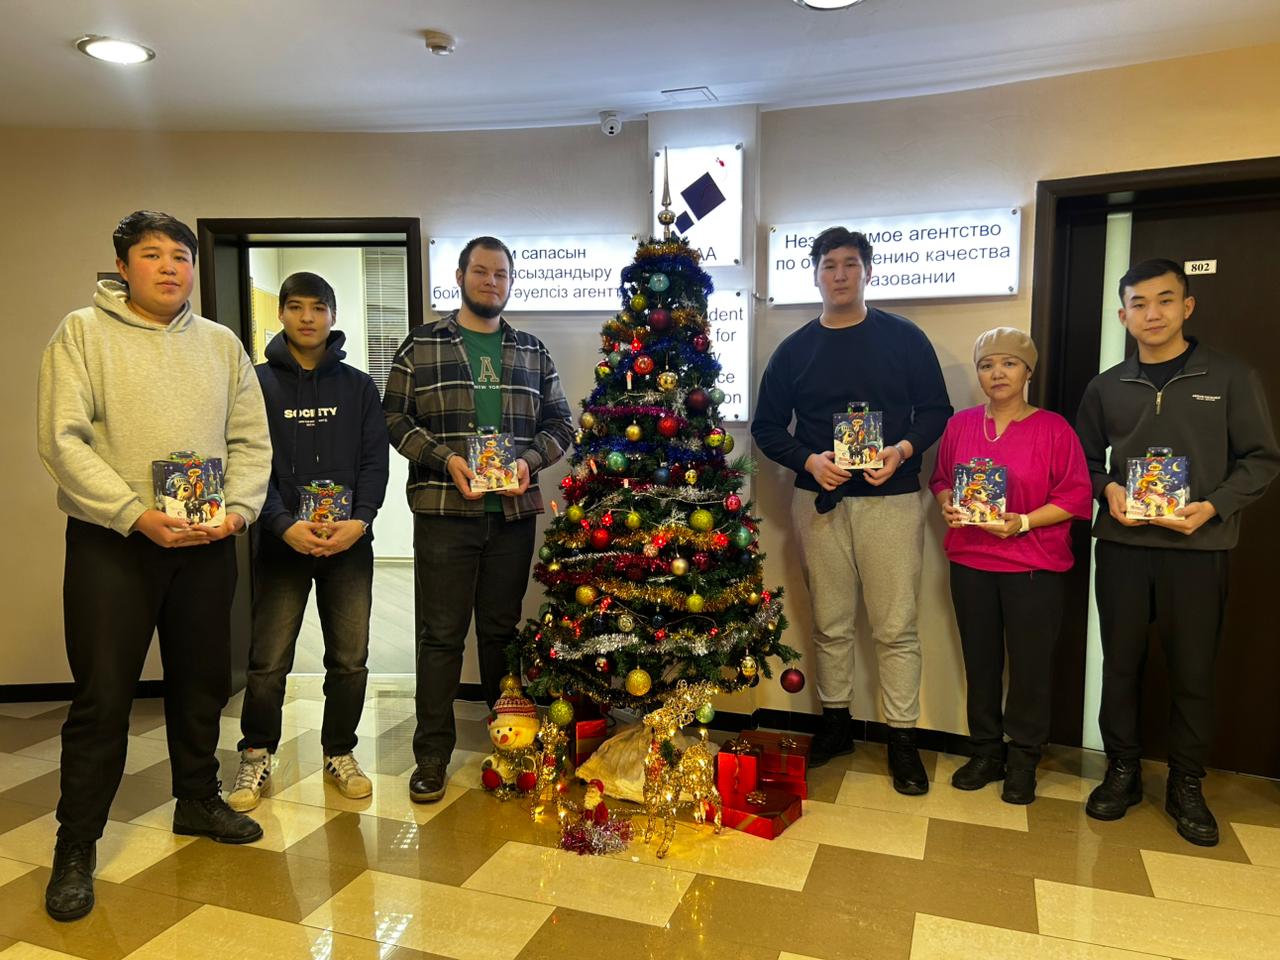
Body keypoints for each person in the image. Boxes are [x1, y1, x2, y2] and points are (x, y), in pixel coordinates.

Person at [36, 211, 272, 921]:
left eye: (180, 256)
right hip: (114, 544)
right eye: (152, 255)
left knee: (202, 683)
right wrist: (133, 513)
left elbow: (250, 441)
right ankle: (76, 845)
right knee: (103, 698)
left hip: (205, 544)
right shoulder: (82, 332)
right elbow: (61, 440)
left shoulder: (222, 345)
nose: (170, 267)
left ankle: (197, 800)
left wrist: (238, 513)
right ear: (123, 265)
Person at [1076, 258, 1279, 845]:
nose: (1153, 313)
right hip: (1124, 546)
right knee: (1121, 664)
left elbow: (1261, 459)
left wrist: (1213, 506)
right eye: (1138, 304)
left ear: (1187, 306)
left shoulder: (1230, 376)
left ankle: (1186, 783)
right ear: (1123, 316)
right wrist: (1107, 489)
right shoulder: (1106, 385)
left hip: (1198, 547)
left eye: (1165, 300)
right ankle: (1121, 770)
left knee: (1193, 670)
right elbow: (1082, 459)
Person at [752, 226, 952, 793]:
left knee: (895, 627)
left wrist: (903, 450)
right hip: (821, 502)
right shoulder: (794, 351)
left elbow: (935, 410)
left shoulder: (904, 338)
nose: (839, 275)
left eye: (850, 264)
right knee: (830, 623)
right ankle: (836, 724)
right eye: (829, 265)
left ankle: (902, 740)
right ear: (816, 274)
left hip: (892, 500)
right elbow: (768, 427)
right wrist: (808, 461)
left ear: (867, 271)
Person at [384, 236, 573, 804]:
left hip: (511, 516)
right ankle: (431, 756)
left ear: (511, 282)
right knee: (440, 637)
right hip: (444, 513)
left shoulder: (532, 351)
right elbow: (394, 419)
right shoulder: (421, 344)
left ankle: (510, 744)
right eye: (481, 272)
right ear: (460, 276)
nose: (491, 282)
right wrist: (446, 459)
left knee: (500, 634)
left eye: (501, 274)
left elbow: (561, 424)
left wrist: (528, 462)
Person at [228, 272, 389, 811]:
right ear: (281, 314)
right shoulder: (256, 384)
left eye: (318, 308)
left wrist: (360, 521)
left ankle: (339, 750)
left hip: (349, 544)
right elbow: (250, 461)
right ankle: (256, 753)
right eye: (296, 307)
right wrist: (280, 523)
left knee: (350, 657)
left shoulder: (358, 387)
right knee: (269, 658)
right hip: (282, 543)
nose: (307, 318)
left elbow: (374, 462)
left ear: (332, 316)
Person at [928, 328, 1091, 804]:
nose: (997, 373)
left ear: (1028, 371)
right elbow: (941, 479)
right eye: (987, 365)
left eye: (1008, 363)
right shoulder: (960, 426)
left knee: (1029, 669)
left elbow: (1075, 497)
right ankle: (985, 751)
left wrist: (1022, 522)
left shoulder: (1054, 429)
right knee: (980, 663)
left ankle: (1023, 758)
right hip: (971, 562)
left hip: (1033, 568)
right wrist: (947, 504)